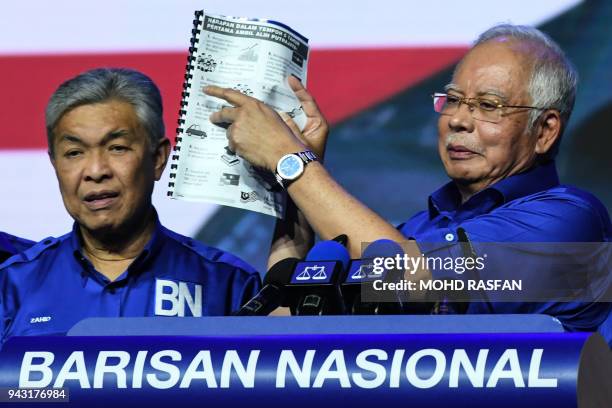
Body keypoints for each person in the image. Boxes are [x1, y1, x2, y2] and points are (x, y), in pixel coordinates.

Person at [203, 24, 611, 331]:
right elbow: (284, 319)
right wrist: (291, 184)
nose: (458, 120)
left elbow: (418, 278)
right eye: (452, 100)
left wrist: (292, 162)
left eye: (487, 105)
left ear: (545, 131)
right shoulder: (419, 228)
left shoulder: (569, 222)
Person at [0, 68, 261, 345]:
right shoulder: (13, 285)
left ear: (158, 158)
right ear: (55, 164)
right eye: (74, 153)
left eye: (117, 148)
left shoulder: (228, 284)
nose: (96, 171)